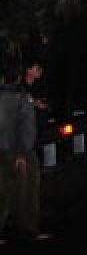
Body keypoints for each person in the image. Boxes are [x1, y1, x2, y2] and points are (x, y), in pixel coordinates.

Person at [0, 56, 50, 243]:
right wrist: (21, 153)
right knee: (28, 190)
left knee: (3, 191)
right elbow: (26, 128)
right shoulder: (22, 97)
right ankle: (30, 228)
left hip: (2, 150)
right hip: (19, 151)